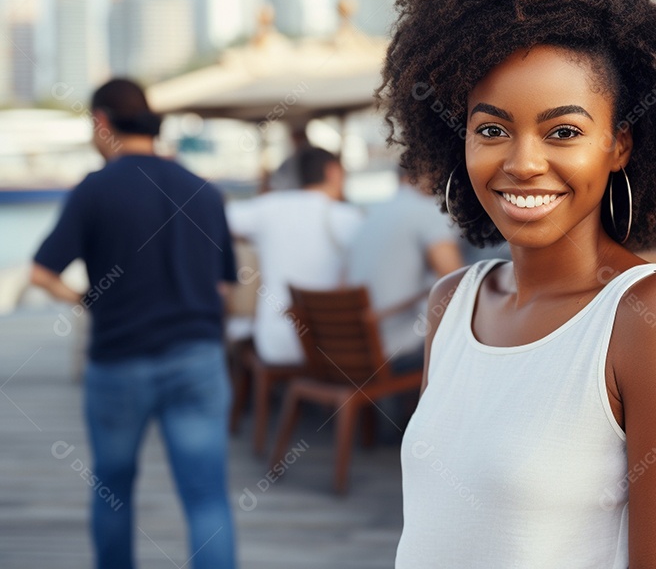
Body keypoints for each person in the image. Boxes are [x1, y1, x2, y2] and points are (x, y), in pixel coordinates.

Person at [385, 0, 656, 567]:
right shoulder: (450, 305)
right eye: (491, 128)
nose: (523, 163)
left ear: (620, 143)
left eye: (563, 132)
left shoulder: (655, 319)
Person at [30, 78, 236, 569]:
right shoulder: (203, 190)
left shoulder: (95, 189)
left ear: (102, 123)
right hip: (198, 358)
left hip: (119, 360)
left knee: (113, 490)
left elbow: (41, 273)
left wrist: (87, 299)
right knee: (208, 498)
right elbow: (224, 286)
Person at [227, 147, 362, 365]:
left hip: (273, 343)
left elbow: (216, 219)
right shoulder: (350, 218)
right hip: (331, 347)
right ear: (333, 171)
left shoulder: (269, 207)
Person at [346, 170, 463, 367]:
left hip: (357, 344)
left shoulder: (373, 213)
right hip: (394, 347)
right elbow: (458, 281)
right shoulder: (426, 211)